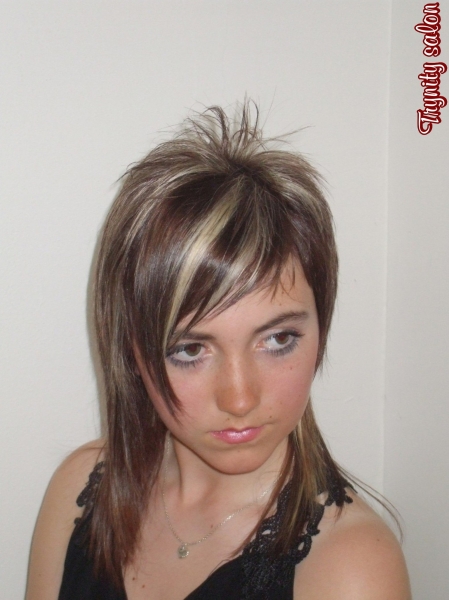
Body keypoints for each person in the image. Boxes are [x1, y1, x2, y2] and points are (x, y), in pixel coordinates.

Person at [26, 102, 411, 600]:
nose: (240, 398)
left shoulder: (352, 569)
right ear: (132, 351)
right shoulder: (79, 489)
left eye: (278, 340)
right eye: (190, 349)